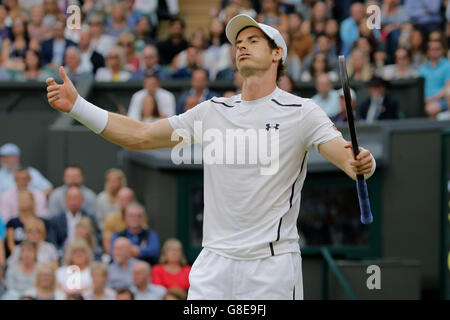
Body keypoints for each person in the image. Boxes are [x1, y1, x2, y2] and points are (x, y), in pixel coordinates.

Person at [45, 14, 376, 300]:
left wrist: (362, 163)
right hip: (214, 264)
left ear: (277, 53)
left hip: (271, 267)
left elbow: (347, 157)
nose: (241, 46)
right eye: (238, 43)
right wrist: (77, 106)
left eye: (253, 41)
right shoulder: (212, 112)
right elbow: (140, 135)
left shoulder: (302, 112)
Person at [50, 185, 99, 253]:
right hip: (63, 253)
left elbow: (95, 241)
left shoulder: (90, 218)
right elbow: (54, 243)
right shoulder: (56, 220)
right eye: (70, 198)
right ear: (65, 200)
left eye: (76, 198)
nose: (73, 202)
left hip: (86, 252)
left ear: (82, 200)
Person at [103, 187, 142, 255]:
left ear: (132, 200)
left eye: (127, 199)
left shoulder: (139, 215)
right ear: (117, 200)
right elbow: (108, 247)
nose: (123, 202)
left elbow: (146, 243)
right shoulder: (111, 219)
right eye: (121, 199)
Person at [418, 39, 450, 118]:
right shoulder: (422, 68)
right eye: (432, 49)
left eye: (437, 49)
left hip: (443, 100)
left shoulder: (447, 65)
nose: (434, 51)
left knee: (430, 109)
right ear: (428, 51)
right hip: (423, 100)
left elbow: (447, 88)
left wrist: (431, 99)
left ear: (442, 50)